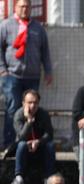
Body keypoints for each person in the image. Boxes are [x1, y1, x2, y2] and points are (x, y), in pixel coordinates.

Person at [0, 0, 52, 149]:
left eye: (27, 7)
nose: (25, 9)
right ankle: (10, 143)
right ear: (16, 8)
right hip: (12, 75)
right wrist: (2, 70)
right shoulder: (5, 25)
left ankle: (27, 141)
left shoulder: (38, 28)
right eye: (22, 6)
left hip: (32, 76)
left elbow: (45, 51)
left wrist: (48, 71)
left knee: (31, 109)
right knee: (13, 108)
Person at [11, 89, 54, 184]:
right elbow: (21, 136)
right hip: (24, 147)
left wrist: (39, 141)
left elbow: (49, 134)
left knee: (50, 145)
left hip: (40, 146)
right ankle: (19, 177)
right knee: (21, 144)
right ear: (23, 103)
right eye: (29, 102)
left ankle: (49, 177)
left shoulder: (43, 114)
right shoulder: (18, 115)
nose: (33, 106)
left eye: (35, 103)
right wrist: (29, 121)